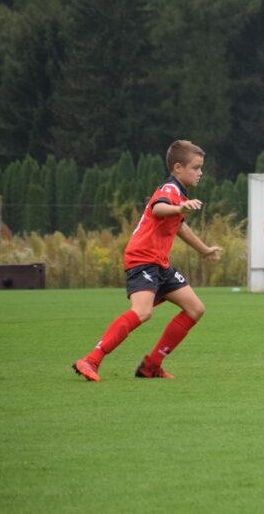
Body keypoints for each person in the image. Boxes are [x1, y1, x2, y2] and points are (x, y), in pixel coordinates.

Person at [72, 140, 221, 381]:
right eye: (195, 167)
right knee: (142, 312)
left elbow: (180, 227)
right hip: (142, 259)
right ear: (178, 167)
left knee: (195, 309)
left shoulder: (179, 194)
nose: (200, 172)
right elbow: (158, 209)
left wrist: (204, 250)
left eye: (200, 167)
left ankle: (151, 365)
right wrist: (180, 207)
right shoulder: (170, 189)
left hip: (160, 263)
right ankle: (91, 360)